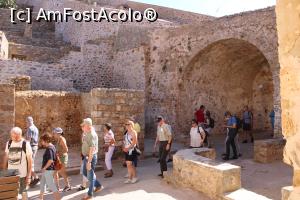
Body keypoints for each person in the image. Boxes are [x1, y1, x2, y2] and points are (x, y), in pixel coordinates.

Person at [3, 127, 33, 200]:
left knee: (24, 194)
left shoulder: (25, 144)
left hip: (22, 175)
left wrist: (29, 176)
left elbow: (30, 161)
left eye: (17, 136)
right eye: (13, 136)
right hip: (11, 175)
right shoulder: (9, 143)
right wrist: (4, 171)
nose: (15, 138)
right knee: (12, 195)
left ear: (20, 135)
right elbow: (6, 157)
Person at [81, 118, 104, 200]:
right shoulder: (87, 133)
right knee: (85, 172)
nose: (82, 127)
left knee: (90, 176)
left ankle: (89, 194)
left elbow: (92, 149)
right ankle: (98, 185)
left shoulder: (91, 135)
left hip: (90, 157)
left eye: (83, 125)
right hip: (86, 157)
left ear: (88, 126)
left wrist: (89, 162)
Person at [39, 133, 60, 200]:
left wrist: (44, 168)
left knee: (52, 186)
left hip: (48, 170)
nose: (41, 142)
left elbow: (50, 160)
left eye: (42, 140)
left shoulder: (49, 149)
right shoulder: (52, 146)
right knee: (42, 185)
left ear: (46, 140)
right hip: (47, 170)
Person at [52, 127, 71, 192]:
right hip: (59, 158)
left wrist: (58, 153)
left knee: (62, 172)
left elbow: (66, 150)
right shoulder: (58, 139)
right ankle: (57, 187)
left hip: (63, 158)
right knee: (55, 172)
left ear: (58, 133)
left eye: (54, 133)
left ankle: (68, 186)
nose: (53, 134)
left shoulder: (62, 139)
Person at [25, 116, 40, 186]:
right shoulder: (36, 128)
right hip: (35, 146)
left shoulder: (30, 129)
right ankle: (32, 180)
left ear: (28, 121)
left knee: (29, 164)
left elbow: (28, 140)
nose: (26, 124)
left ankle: (36, 177)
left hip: (31, 147)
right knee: (31, 163)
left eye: (26, 122)